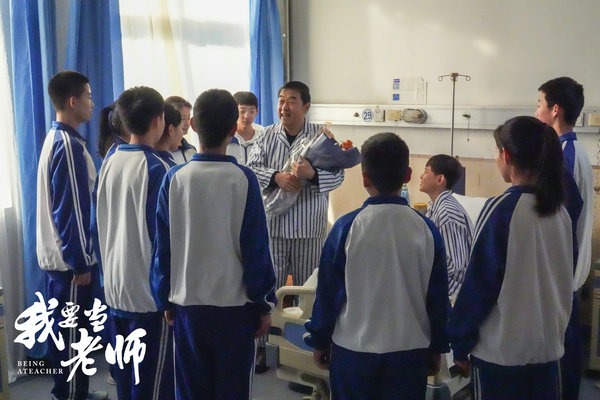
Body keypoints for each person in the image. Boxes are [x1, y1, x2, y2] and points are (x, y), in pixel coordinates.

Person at [151, 89, 276, 400]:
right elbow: (256, 249)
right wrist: (262, 303)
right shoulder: (243, 179)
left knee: (191, 389)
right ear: (233, 129)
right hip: (235, 309)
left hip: (188, 307)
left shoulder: (175, 179)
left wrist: (164, 299)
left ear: (192, 125)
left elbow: (162, 249)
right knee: (233, 390)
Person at [304, 132, 449, 399]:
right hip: (409, 354)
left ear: (364, 178)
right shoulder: (426, 229)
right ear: (407, 175)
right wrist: (437, 347)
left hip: (353, 352)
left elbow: (328, 293)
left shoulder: (346, 228)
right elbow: (437, 297)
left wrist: (320, 339)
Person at [448, 116, 574, 400]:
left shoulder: (501, 210)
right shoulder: (560, 213)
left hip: (501, 358)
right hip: (548, 352)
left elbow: (478, 286)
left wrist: (460, 342)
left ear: (505, 155)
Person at [95, 86, 173, 400]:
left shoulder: (110, 161)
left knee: (126, 377)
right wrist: (168, 296)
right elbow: (164, 241)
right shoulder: (158, 168)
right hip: (148, 296)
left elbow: (96, 227)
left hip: (115, 289)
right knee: (152, 383)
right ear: (158, 120)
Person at [36, 70, 108, 400]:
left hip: (60, 259)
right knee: (71, 334)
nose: (92, 103)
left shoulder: (60, 139)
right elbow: (71, 212)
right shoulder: (67, 146)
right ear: (72, 101)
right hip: (70, 263)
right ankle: (70, 395)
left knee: (68, 332)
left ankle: (69, 391)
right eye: (88, 97)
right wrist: (80, 262)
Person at [247, 81, 344, 288]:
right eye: (281, 101)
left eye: (291, 101)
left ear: (306, 106)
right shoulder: (266, 135)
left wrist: (312, 175)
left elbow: (338, 175)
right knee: (271, 288)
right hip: (274, 226)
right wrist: (276, 177)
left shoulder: (322, 136)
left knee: (307, 291)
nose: (284, 107)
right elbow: (252, 168)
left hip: (308, 228)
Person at [536, 76, 592, 400]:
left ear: (554, 109)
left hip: (562, 271)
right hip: (569, 271)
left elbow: (560, 220)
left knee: (561, 355)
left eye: (539, 104)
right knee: (567, 350)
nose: (536, 111)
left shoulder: (563, 154)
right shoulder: (574, 150)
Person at [419, 154, 473, 297]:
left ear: (440, 179)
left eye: (426, 171)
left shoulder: (447, 213)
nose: (421, 176)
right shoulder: (436, 208)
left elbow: (455, 269)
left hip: (453, 296)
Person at [226, 91, 263, 164]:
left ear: (256, 112)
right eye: (242, 111)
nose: (247, 116)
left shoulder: (263, 135)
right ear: (234, 112)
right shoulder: (226, 137)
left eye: (252, 111)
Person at [165, 95, 196, 163]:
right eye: (183, 118)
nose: (187, 124)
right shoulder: (158, 152)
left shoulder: (191, 150)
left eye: (188, 118)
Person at [155, 102, 183, 167]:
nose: (182, 134)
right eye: (180, 128)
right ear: (171, 130)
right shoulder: (168, 167)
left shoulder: (145, 159)